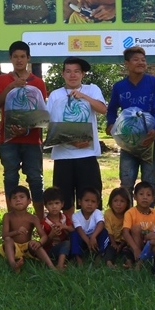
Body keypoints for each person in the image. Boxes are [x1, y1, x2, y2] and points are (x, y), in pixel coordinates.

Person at [105, 46, 155, 204]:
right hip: (128, 144)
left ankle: (149, 222)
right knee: (126, 184)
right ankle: (126, 222)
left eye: (143, 60)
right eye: (136, 59)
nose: (141, 62)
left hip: (150, 142)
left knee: (149, 184)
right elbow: (111, 110)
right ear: (127, 63)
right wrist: (111, 125)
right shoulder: (119, 87)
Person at [0, 41, 47, 216]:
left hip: (32, 140)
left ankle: (39, 219)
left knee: (36, 179)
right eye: (15, 56)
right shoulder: (1, 80)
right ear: (10, 58)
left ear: (28, 58)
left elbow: (41, 114)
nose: (19, 60)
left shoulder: (38, 82)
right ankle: (13, 218)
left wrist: (27, 129)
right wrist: (10, 87)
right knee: (10, 177)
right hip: (8, 140)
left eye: (22, 56)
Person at [47, 56, 107, 214]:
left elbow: (103, 109)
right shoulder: (55, 95)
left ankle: (90, 232)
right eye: (68, 71)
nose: (72, 75)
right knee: (64, 201)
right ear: (62, 74)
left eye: (76, 71)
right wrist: (72, 141)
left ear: (83, 74)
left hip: (87, 155)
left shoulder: (92, 90)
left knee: (90, 198)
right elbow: (52, 126)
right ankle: (69, 232)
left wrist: (84, 97)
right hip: (63, 156)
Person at [0, 185, 55, 273]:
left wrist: (39, 243)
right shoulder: (7, 216)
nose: (18, 200)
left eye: (21, 197)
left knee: (34, 243)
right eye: (14, 198)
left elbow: (43, 236)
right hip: (13, 247)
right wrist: (16, 232)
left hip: (27, 247)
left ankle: (52, 267)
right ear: (9, 202)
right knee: (8, 240)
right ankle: (13, 264)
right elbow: (4, 235)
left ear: (29, 201)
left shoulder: (33, 218)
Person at [122, 181, 155, 265]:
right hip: (134, 246)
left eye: (148, 195)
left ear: (153, 198)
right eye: (141, 194)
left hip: (150, 245)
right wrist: (135, 248)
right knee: (136, 228)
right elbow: (125, 232)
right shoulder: (130, 213)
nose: (145, 197)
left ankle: (153, 259)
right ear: (135, 197)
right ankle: (138, 259)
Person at [70, 187, 106, 264]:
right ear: (79, 202)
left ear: (97, 204)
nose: (89, 204)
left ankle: (100, 254)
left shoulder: (97, 212)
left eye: (93, 201)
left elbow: (101, 223)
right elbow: (79, 229)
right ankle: (78, 258)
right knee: (74, 234)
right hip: (83, 239)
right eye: (86, 200)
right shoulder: (75, 216)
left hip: (95, 238)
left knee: (104, 232)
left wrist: (93, 237)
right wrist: (88, 242)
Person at [41, 186, 74, 270]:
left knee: (71, 242)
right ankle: (60, 265)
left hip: (66, 248)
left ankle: (69, 260)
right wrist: (51, 235)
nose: (54, 206)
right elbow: (43, 243)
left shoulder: (65, 218)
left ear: (62, 204)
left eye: (57, 203)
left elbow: (73, 230)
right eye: (50, 204)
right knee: (66, 243)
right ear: (46, 206)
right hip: (51, 250)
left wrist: (64, 227)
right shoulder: (44, 222)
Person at [102, 187, 132, 269]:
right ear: (111, 202)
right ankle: (109, 263)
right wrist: (114, 244)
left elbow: (127, 230)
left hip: (124, 241)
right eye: (115, 201)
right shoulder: (108, 213)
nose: (118, 204)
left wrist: (121, 245)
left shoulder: (129, 214)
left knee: (127, 251)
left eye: (122, 201)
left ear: (127, 203)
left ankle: (128, 263)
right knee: (109, 250)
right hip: (111, 240)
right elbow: (109, 230)